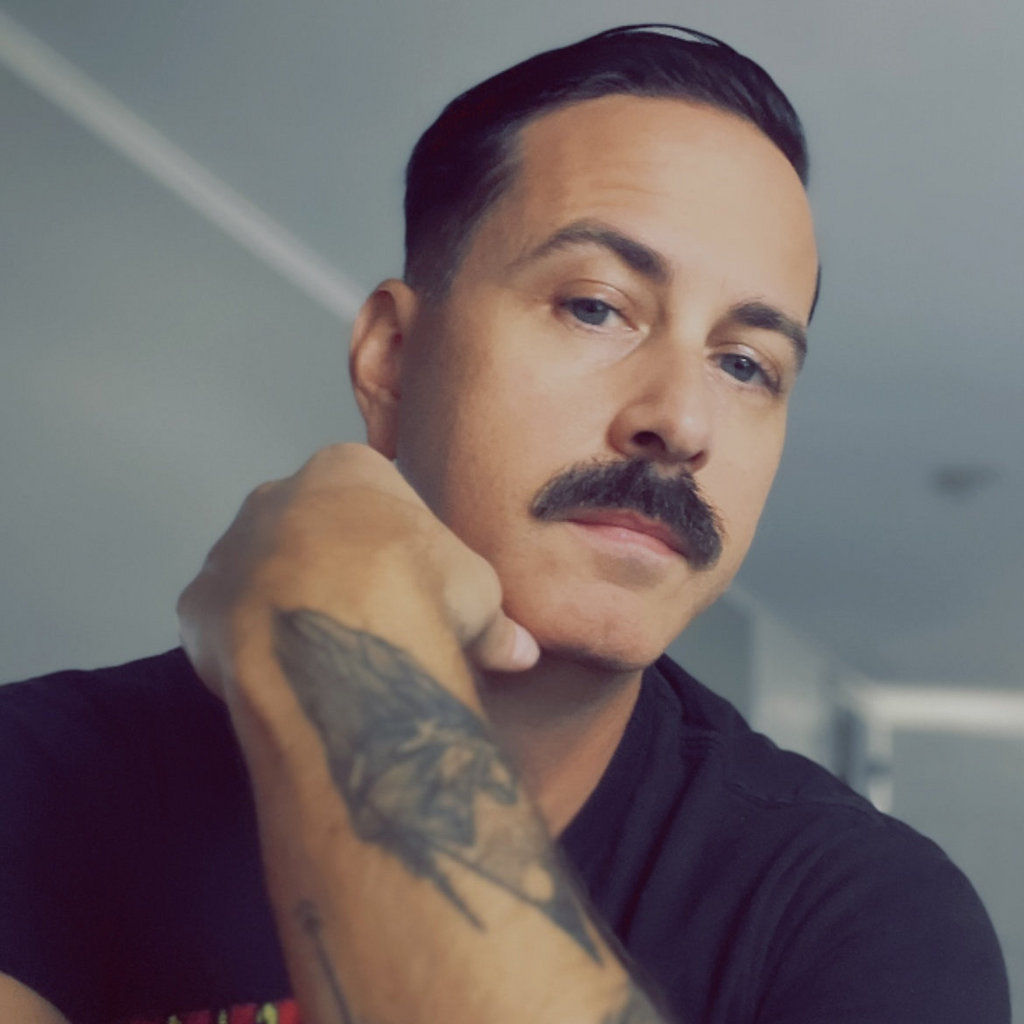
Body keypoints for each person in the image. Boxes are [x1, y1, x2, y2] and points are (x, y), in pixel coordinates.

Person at [0, 23, 1010, 1024]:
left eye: (745, 364)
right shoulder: (33, 780)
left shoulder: (863, 917)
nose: (682, 421)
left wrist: (345, 663)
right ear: (393, 359)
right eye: (595, 306)